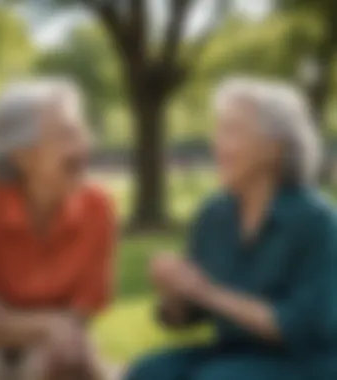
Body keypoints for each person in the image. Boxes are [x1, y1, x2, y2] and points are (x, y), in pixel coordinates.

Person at [125, 78, 337, 380]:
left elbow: (303, 326)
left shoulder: (317, 221)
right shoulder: (214, 215)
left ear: (272, 148)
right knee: (149, 372)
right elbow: (186, 317)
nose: (216, 143)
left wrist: (204, 290)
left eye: (231, 131)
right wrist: (175, 292)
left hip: (308, 361)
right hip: (234, 353)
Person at [0, 79, 116, 380]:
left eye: (81, 132)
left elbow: (85, 308)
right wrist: (47, 325)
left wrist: (54, 334)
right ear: (22, 156)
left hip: (48, 342)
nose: (84, 145)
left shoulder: (98, 208)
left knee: (65, 363)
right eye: (67, 135)